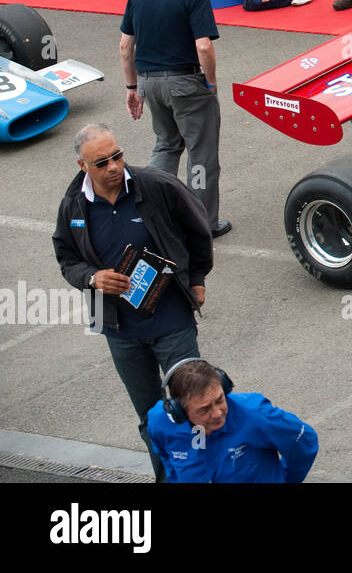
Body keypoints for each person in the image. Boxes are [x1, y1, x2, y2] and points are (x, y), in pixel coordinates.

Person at [52, 123, 213, 483]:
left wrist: (198, 278)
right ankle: (166, 479)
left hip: (172, 321)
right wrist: (92, 278)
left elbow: (198, 227)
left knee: (193, 408)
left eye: (117, 156)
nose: (113, 166)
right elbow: (66, 258)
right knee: (151, 416)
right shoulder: (73, 205)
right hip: (118, 329)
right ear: (83, 167)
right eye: (102, 162)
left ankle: (203, 477)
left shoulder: (156, 185)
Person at [120, 0, 230, 236]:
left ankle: (149, 211)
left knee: (166, 145)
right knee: (201, 155)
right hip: (186, 83)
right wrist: (210, 83)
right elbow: (204, 46)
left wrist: (132, 88)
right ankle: (202, 224)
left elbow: (125, 46)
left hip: (149, 83)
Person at [147, 360, 318, 483]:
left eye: (220, 399)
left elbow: (304, 441)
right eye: (204, 409)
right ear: (179, 412)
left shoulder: (256, 415)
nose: (217, 413)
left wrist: (286, 479)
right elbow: (165, 457)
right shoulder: (160, 423)